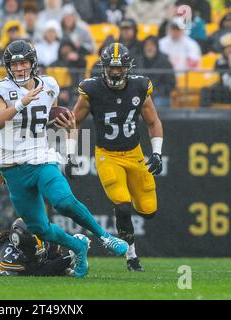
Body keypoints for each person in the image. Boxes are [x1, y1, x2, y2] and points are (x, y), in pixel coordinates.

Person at [0, 40, 129, 278]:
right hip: (12, 168)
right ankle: (77, 246)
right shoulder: (0, 88)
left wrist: (70, 140)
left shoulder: (50, 85)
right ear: (8, 66)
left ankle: (105, 237)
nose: (19, 68)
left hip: (42, 158)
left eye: (24, 62)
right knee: (39, 228)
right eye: (15, 64)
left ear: (33, 63)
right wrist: (22, 102)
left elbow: (61, 121)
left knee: (62, 201)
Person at [67, 42, 164, 272]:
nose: (116, 72)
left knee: (149, 211)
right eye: (111, 67)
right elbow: (74, 121)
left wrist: (157, 152)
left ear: (128, 67)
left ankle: (128, 237)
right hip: (107, 155)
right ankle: (131, 256)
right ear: (104, 67)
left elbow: (153, 122)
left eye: (120, 68)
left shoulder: (140, 86)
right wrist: (70, 154)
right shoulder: (92, 89)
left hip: (134, 153)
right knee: (122, 207)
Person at [134, 36, 176, 109]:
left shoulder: (165, 62)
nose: (149, 48)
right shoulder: (137, 61)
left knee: (157, 102)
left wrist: (156, 91)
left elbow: (171, 83)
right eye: (147, 45)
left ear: (157, 47)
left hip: (159, 95)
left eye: (152, 45)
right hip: (140, 94)